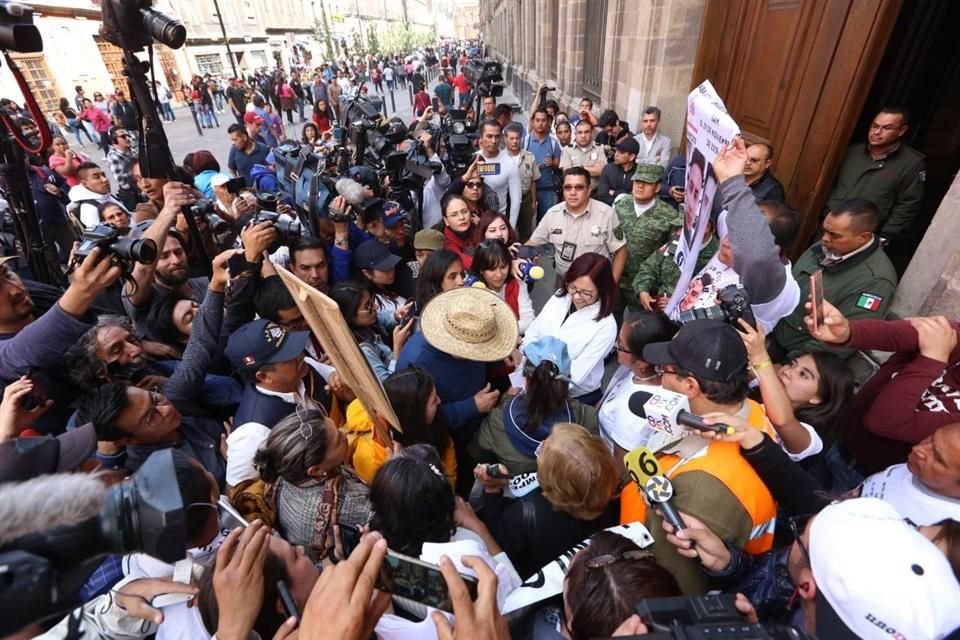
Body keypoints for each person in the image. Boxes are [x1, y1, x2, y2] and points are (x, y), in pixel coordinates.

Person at [620, 319, 780, 594]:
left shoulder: (699, 496)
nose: (660, 378)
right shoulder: (750, 412)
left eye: (664, 371)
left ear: (691, 386)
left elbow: (668, 588)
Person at [368, 452, 521, 639]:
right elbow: (516, 593)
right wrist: (479, 527)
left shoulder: (383, 560)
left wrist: (379, 574)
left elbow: (387, 624)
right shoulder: (466, 546)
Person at [807, 300, 960, 485]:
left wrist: (932, 359)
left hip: (871, 478)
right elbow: (897, 334)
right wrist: (847, 332)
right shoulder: (951, 337)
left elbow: (882, 421)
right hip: (839, 438)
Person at [396, 287, 518, 494]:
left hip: (479, 426)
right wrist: (471, 406)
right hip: (452, 441)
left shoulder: (473, 334)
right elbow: (418, 420)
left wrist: (499, 361)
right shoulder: (415, 363)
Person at [673, 137, 801, 333]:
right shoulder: (732, 231)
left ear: (772, 249)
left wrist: (732, 182)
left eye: (739, 239)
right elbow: (721, 206)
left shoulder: (774, 283)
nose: (725, 239)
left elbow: (757, 255)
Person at [474, 422, 621, 579]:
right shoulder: (613, 498)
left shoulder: (523, 517)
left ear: (554, 481)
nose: (542, 444)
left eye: (542, 451)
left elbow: (497, 549)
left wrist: (492, 491)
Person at [771, 198, 898, 358]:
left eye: (834, 235)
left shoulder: (876, 282)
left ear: (863, 238)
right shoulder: (827, 246)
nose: (824, 238)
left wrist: (790, 365)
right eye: (825, 231)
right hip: (769, 330)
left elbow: (842, 341)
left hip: (792, 356)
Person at [223, 319, 333, 489]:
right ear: (264, 376)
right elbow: (239, 495)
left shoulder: (303, 367)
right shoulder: (252, 434)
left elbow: (340, 380)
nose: (300, 355)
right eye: (288, 356)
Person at [253, 409, 370, 562]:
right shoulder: (346, 504)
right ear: (316, 470)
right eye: (337, 440)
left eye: (336, 428)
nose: (344, 433)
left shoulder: (283, 472)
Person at [473, 336, 599, 475]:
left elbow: (477, 454)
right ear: (566, 381)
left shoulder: (497, 421)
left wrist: (506, 400)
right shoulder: (587, 418)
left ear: (525, 380)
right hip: (563, 491)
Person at [522, 253, 618, 403]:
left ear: (602, 290)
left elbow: (576, 375)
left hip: (572, 394)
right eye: (573, 287)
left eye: (587, 293)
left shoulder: (606, 326)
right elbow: (533, 333)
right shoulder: (561, 295)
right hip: (532, 379)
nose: (577, 297)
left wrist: (536, 379)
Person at [344, 366, 457, 486]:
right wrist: (396, 471)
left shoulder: (430, 425)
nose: (439, 401)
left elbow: (449, 476)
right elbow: (399, 499)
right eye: (433, 401)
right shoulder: (372, 459)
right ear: (414, 414)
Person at [827, 107, 925, 244]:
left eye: (887, 128)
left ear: (901, 131)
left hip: (864, 236)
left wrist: (886, 236)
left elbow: (908, 204)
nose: (877, 132)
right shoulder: (852, 152)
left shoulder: (911, 163)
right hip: (830, 226)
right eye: (875, 126)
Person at [597, 311, 677, 461]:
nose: (616, 346)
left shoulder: (634, 414)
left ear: (642, 363)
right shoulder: (635, 371)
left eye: (620, 346)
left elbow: (621, 466)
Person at [527, 167, 628, 282]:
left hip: (596, 282)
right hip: (564, 281)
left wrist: (612, 284)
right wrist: (512, 254)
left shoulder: (606, 214)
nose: (573, 192)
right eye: (568, 187)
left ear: (589, 189)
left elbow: (621, 251)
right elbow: (532, 243)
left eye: (579, 187)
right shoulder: (552, 214)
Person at [613, 163, 683, 311]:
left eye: (647, 183)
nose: (640, 186)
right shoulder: (620, 205)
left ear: (657, 187)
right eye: (637, 182)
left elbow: (670, 255)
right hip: (615, 278)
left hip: (643, 285)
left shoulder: (669, 216)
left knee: (637, 328)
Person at [331, 280, 414, 382]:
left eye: (372, 302)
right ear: (349, 315)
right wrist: (398, 348)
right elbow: (388, 384)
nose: (375, 307)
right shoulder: (363, 350)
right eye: (368, 306)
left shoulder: (369, 320)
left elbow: (385, 317)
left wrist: (396, 315)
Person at [634, 223, 719, 312]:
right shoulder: (678, 241)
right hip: (659, 310)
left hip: (688, 319)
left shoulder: (718, 256)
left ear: (708, 227)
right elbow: (650, 267)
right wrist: (643, 290)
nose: (678, 232)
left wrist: (678, 304)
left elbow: (712, 297)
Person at [468, 239, 534, 333]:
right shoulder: (475, 290)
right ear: (481, 270)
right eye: (492, 269)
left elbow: (529, 321)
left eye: (503, 267)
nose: (499, 275)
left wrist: (502, 332)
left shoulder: (518, 284)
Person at [475, 119, 522, 227]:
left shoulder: (509, 164)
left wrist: (511, 228)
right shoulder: (473, 159)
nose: (493, 140)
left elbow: (516, 200)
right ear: (481, 138)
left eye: (497, 136)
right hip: (474, 222)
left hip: (497, 222)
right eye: (489, 136)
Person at [524, 108, 564, 222]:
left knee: (547, 223)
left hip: (548, 190)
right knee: (527, 225)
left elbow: (558, 164)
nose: (540, 123)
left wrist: (552, 163)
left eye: (543, 120)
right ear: (533, 121)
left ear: (548, 122)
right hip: (528, 191)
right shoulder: (525, 141)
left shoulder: (553, 142)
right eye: (537, 120)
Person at [503, 122, 540, 241]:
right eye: (511, 138)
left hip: (525, 200)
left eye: (517, 138)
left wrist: (534, 201)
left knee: (526, 233)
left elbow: (533, 181)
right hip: (507, 200)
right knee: (508, 231)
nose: (515, 142)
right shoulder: (500, 158)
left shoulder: (529, 157)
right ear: (505, 139)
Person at [68, 162, 127, 229]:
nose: (104, 180)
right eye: (97, 177)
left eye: (104, 175)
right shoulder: (89, 209)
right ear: (85, 184)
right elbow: (102, 235)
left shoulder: (106, 195)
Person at [559, 120, 607, 192]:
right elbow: (567, 173)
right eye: (580, 132)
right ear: (575, 134)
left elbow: (600, 171)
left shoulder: (599, 148)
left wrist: (579, 167)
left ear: (591, 133)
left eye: (586, 132)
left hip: (595, 193)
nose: (583, 135)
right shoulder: (567, 150)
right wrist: (592, 169)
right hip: (574, 193)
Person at [596, 137, 639, 206]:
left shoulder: (639, 172)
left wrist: (615, 193)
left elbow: (638, 198)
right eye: (616, 151)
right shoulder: (608, 169)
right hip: (609, 209)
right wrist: (621, 204)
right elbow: (602, 195)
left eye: (621, 152)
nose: (616, 155)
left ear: (632, 157)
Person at [440, 194, 479, 270]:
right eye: (454, 215)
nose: (461, 217)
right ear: (446, 220)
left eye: (464, 212)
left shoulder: (480, 230)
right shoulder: (446, 245)